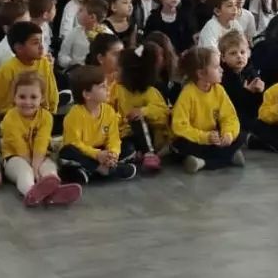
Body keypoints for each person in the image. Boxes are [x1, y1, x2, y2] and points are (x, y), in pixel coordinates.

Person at [0, 71, 81, 207]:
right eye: (22, 97)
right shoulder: (10, 118)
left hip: (40, 156)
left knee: (49, 168)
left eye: (33, 97)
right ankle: (30, 192)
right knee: (24, 172)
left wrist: (37, 166)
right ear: (14, 97)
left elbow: (41, 143)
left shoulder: (46, 117)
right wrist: (33, 170)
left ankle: (54, 190)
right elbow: (19, 146)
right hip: (14, 157)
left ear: (42, 98)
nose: (27, 102)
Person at [169, 47, 246, 173]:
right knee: (180, 146)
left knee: (240, 136)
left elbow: (229, 117)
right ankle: (227, 157)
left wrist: (228, 134)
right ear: (200, 74)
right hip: (195, 140)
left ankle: (202, 162)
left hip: (213, 138)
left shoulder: (219, 90)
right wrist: (205, 137)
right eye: (216, 67)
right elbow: (179, 127)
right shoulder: (187, 94)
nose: (221, 70)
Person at [57, 65, 137, 185]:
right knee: (67, 152)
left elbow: (114, 138)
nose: (108, 88)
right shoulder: (74, 114)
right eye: (102, 86)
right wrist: (97, 154)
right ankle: (104, 170)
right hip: (85, 152)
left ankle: (92, 170)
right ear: (87, 94)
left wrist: (113, 154)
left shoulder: (109, 111)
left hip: (101, 150)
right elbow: (74, 143)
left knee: (128, 148)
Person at [110, 42, 169, 170]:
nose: (115, 73)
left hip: (148, 136)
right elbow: (108, 109)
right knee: (126, 147)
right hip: (124, 134)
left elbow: (163, 113)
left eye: (118, 70)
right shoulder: (115, 89)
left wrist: (143, 111)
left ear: (131, 72)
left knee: (138, 120)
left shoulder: (150, 92)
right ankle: (134, 155)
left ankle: (149, 153)